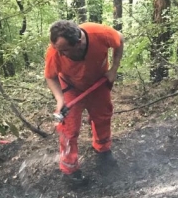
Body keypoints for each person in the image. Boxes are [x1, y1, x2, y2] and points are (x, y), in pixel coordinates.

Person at [44, 20, 124, 185]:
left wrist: (113, 69)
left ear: (78, 44)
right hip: (70, 86)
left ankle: (103, 152)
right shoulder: (54, 52)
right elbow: (50, 77)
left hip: (98, 82)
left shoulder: (100, 34)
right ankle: (70, 171)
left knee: (102, 117)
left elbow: (120, 40)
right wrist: (60, 100)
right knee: (68, 128)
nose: (60, 54)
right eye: (58, 49)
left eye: (64, 50)